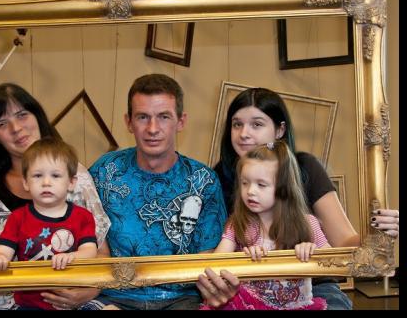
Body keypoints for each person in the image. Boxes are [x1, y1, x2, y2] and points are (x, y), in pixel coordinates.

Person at [196, 87, 400, 310]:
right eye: (237, 124)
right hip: (248, 286)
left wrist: (376, 237)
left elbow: (342, 242)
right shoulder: (216, 179)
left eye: (256, 124)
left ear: (279, 130)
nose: (244, 133)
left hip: (312, 284)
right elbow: (216, 258)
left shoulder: (306, 168)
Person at [0, 83, 110, 310]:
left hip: (61, 301)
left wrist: (88, 291)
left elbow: (100, 256)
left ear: (37, 116)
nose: (16, 128)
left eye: (22, 115)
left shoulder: (76, 176)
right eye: (2, 123)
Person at [87, 73, 227, 310]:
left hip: (182, 299)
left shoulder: (203, 181)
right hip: (114, 297)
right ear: (128, 122)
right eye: (143, 117)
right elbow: (81, 235)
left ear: (181, 121)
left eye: (164, 117)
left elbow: (209, 256)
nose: (153, 128)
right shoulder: (104, 172)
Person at [201, 141, 329, 310]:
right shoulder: (237, 223)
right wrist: (243, 261)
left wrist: (312, 252)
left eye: (261, 185)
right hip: (249, 305)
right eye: (245, 183)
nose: (250, 191)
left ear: (284, 189)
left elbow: (333, 262)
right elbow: (215, 266)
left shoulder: (307, 223)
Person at [0, 137, 98, 310]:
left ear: (71, 182)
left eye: (55, 175)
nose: (46, 182)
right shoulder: (17, 218)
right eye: (37, 175)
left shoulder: (83, 216)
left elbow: (90, 251)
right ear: (26, 182)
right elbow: (4, 249)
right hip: (27, 302)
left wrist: (72, 257)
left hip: (71, 301)